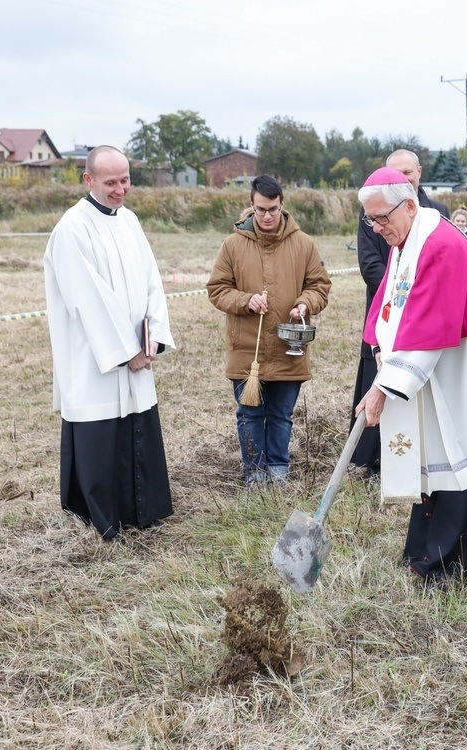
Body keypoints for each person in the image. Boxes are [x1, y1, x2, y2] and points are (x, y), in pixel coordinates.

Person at [354, 167, 467, 585]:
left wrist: (384, 387)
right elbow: (390, 294)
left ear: (410, 205)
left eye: (382, 218)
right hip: (448, 358)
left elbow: (432, 324)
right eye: (371, 220)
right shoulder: (407, 237)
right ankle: (430, 543)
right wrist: (379, 343)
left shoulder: (439, 244)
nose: (377, 228)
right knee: (444, 445)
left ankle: (460, 558)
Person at [43, 145, 175, 539]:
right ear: (89, 180)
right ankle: (101, 518)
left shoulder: (129, 221)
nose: (121, 190)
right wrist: (126, 351)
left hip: (137, 350)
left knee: (137, 423)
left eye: (126, 180)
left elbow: (152, 280)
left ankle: (141, 511)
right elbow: (88, 298)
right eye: (111, 182)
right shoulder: (72, 228)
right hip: (95, 358)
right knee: (99, 433)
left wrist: (152, 335)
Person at [207, 175, 332, 485]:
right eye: (261, 209)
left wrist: (304, 303)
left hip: (289, 348)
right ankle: (254, 475)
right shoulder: (233, 245)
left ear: (282, 206)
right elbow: (217, 289)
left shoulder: (304, 244)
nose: (266, 216)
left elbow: (320, 286)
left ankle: (278, 473)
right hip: (246, 353)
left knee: (280, 416)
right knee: (249, 415)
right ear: (251, 206)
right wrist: (245, 300)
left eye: (272, 209)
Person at [350, 150, 449, 476]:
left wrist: (412, 298)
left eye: (408, 172)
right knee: (375, 379)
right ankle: (371, 458)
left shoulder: (436, 213)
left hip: (425, 315)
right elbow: (371, 263)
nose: (402, 179)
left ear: (419, 173)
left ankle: (412, 457)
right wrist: (396, 295)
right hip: (386, 310)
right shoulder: (375, 211)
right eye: (396, 172)